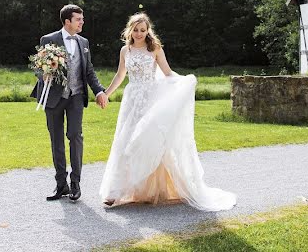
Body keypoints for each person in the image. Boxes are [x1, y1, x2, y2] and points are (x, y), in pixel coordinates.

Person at [98, 12, 236, 210]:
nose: (139, 33)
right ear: (130, 30)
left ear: (148, 31)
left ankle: (155, 188)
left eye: (142, 30)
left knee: (150, 140)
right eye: (135, 30)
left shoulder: (154, 48)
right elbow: (120, 75)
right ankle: (116, 192)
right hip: (131, 101)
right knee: (125, 140)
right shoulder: (125, 50)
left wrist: (185, 82)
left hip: (150, 98)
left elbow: (167, 73)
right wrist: (106, 93)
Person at [32, 4, 108, 202]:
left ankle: (75, 183)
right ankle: (61, 184)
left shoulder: (84, 42)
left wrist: (99, 90)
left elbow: (88, 71)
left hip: (76, 96)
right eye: (78, 19)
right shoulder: (48, 40)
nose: (82, 22)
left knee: (75, 136)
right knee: (56, 140)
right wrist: (45, 74)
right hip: (54, 98)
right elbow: (38, 68)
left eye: (82, 19)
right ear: (67, 21)